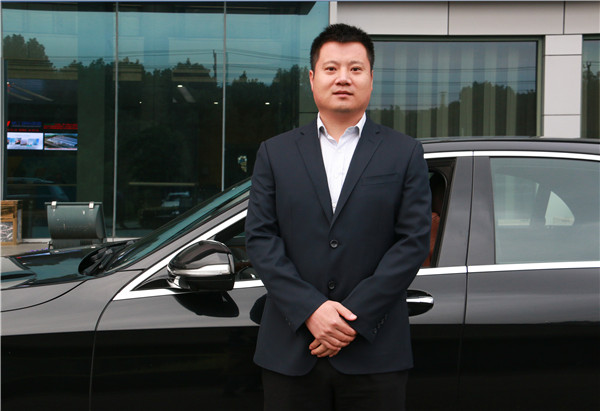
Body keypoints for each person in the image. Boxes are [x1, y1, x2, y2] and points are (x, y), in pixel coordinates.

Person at [245, 23, 431, 410]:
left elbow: (412, 242)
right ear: (312, 78)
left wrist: (352, 318)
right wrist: (310, 310)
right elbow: (261, 239)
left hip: (375, 354)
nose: (343, 78)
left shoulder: (404, 152)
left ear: (371, 78)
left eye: (355, 68)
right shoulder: (275, 153)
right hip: (291, 351)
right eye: (331, 68)